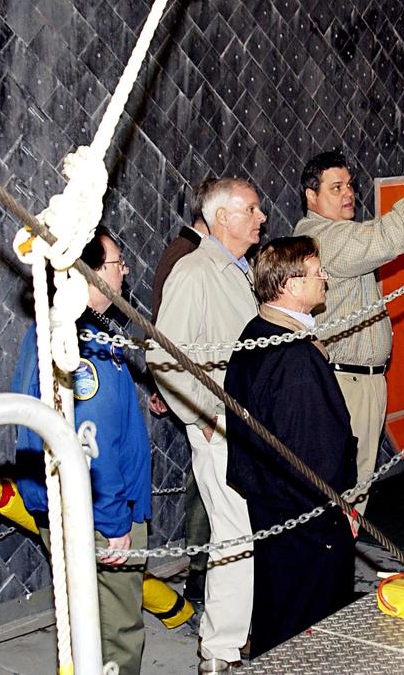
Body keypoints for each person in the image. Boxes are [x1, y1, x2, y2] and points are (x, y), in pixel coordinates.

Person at [12, 226, 152, 675]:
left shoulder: (57, 327)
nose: (124, 270)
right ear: (90, 275)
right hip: (98, 514)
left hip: (73, 507)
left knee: (82, 625)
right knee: (117, 634)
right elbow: (93, 444)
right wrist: (114, 521)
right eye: (117, 263)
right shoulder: (81, 346)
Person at [293, 123, 404, 513]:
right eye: (336, 188)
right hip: (346, 382)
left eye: (349, 186)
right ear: (311, 197)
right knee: (343, 494)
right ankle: (332, 566)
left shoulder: (341, 234)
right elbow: (389, 237)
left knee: (354, 490)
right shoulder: (322, 239)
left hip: (362, 381)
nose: (349, 194)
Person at [150, 177, 266, 673]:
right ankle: (218, 651)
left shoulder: (239, 270)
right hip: (220, 430)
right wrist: (200, 418)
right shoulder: (196, 270)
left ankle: (236, 638)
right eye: (252, 210)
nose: (261, 218)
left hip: (246, 428)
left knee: (246, 536)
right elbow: (163, 355)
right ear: (222, 218)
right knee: (233, 537)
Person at [225, 236, 357, 657]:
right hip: (305, 517)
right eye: (317, 273)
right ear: (292, 285)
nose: (325, 280)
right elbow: (316, 453)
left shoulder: (257, 330)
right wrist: (338, 507)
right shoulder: (295, 358)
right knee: (308, 623)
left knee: (277, 606)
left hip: (270, 503)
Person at [149, 177, 218, 611]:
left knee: (202, 482)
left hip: (190, 388)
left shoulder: (184, 250)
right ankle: (201, 571)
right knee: (202, 485)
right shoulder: (190, 257)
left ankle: (202, 567)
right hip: (196, 392)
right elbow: (168, 330)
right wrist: (166, 387)